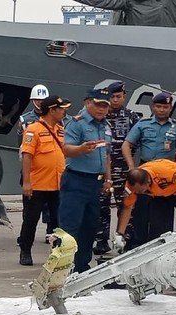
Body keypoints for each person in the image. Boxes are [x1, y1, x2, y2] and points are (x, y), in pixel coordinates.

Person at [60, 88, 113, 273]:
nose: (101, 109)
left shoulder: (105, 126)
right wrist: (81, 149)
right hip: (76, 180)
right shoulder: (77, 123)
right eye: (98, 104)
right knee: (70, 228)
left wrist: (108, 179)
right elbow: (66, 149)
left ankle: (81, 268)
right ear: (87, 102)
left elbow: (107, 155)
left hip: (95, 183)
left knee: (89, 227)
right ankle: (62, 268)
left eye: (105, 105)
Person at [121, 92, 176, 249]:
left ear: (171, 108)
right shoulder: (143, 124)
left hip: (165, 177)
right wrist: (131, 167)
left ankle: (162, 247)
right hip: (144, 173)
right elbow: (126, 145)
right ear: (152, 107)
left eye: (165, 107)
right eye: (158, 106)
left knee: (163, 214)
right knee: (140, 212)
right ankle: (136, 246)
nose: (161, 110)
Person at [17, 95, 70, 265]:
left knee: (57, 222)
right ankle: (25, 250)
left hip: (57, 184)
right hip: (38, 184)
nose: (64, 112)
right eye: (61, 109)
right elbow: (27, 156)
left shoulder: (61, 130)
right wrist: (26, 182)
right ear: (52, 110)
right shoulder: (33, 130)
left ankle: (56, 253)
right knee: (31, 220)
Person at [112, 159, 176, 253]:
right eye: (136, 191)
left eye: (140, 191)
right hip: (159, 194)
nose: (138, 193)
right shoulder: (131, 185)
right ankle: (162, 253)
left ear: (147, 182)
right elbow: (127, 208)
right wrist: (120, 234)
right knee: (158, 229)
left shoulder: (167, 172)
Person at [93, 80, 141, 255]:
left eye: (118, 97)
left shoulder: (132, 117)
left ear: (124, 97)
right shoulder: (100, 116)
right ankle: (101, 239)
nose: (114, 100)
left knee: (125, 204)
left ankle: (126, 239)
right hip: (102, 167)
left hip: (123, 168)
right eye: (112, 97)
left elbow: (136, 141)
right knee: (101, 204)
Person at [17, 84, 52, 242]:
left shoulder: (56, 120)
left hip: (49, 168)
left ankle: (50, 232)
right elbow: (21, 143)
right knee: (30, 206)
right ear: (33, 101)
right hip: (32, 166)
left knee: (51, 206)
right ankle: (26, 237)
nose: (40, 103)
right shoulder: (25, 120)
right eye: (38, 100)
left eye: (43, 100)